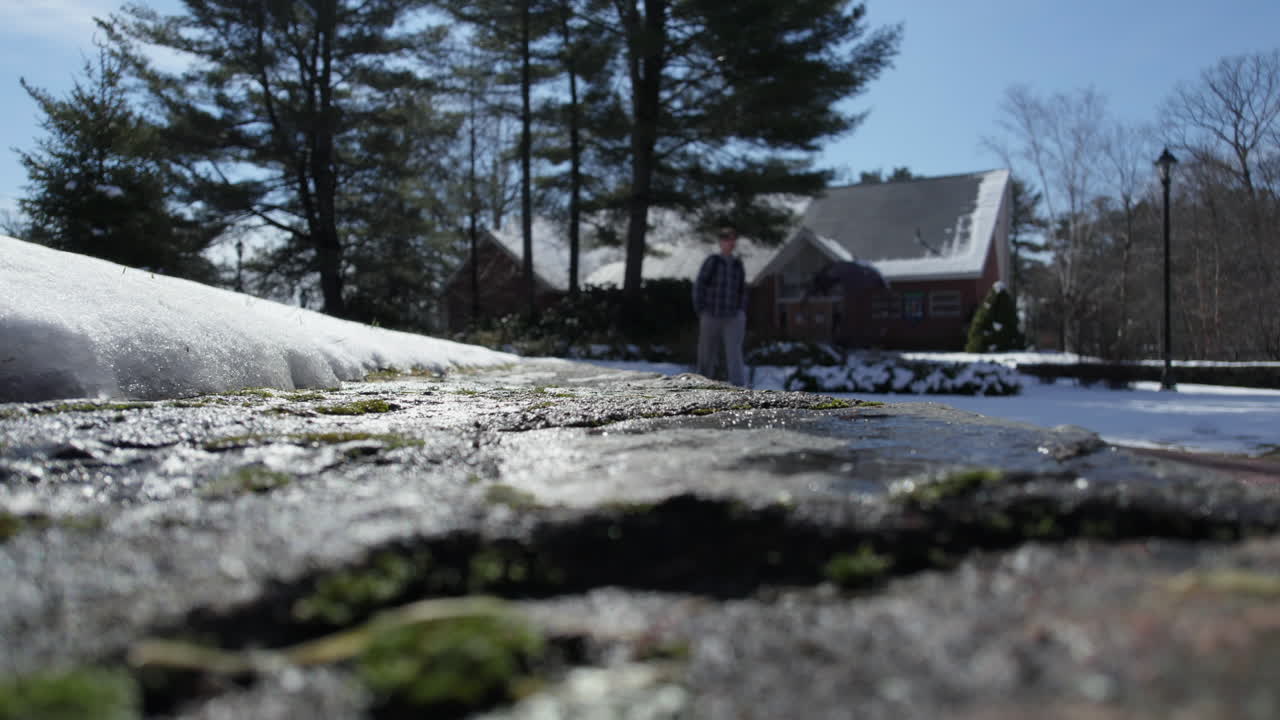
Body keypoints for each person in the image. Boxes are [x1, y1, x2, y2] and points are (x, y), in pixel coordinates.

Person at [692, 222, 747, 386]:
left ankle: (738, 387)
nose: (730, 242)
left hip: (732, 316)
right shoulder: (712, 261)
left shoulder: (738, 264)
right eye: (726, 239)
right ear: (721, 242)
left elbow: (742, 290)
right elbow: (699, 285)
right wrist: (701, 309)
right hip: (711, 314)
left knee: (734, 353)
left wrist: (741, 311)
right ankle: (701, 386)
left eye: (732, 239)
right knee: (706, 354)